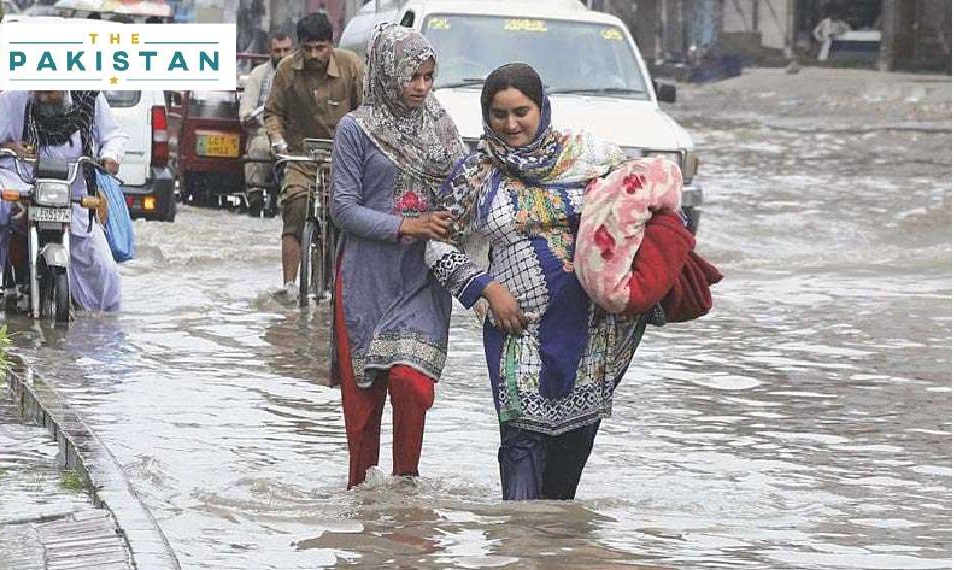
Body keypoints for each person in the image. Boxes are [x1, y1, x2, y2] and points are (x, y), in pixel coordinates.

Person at [425, 63, 681, 500]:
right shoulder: (475, 175)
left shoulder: (591, 158)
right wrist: (485, 287)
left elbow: (647, 203)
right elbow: (436, 245)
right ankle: (518, 544)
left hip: (591, 330)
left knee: (571, 454)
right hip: (515, 327)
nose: (510, 125)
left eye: (521, 112)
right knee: (520, 443)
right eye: (499, 115)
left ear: (542, 108)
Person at [328, 24, 464, 489]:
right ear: (388, 73)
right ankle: (363, 502)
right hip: (366, 279)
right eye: (413, 77)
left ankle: (406, 488)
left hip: (422, 276)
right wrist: (408, 225)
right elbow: (342, 208)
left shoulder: (442, 128)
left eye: (429, 77)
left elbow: (464, 188)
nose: (422, 88)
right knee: (363, 406)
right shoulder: (356, 129)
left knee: (412, 383)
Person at [0, 90, 128, 311]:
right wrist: (9, 147)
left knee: (104, 272)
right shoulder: (12, 98)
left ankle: (99, 334)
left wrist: (110, 156)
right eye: (39, 91)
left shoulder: (89, 98)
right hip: (20, 179)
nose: (43, 97)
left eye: (50, 91)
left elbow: (113, 136)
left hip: (72, 188)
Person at [264, 12, 364, 301]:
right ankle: (289, 284)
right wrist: (277, 141)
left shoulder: (352, 66)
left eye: (320, 48)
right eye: (307, 49)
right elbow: (273, 113)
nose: (314, 55)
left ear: (331, 45)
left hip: (344, 157)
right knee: (294, 203)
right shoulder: (286, 70)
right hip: (301, 156)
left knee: (346, 214)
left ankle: (342, 282)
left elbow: (368, 112)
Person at [240, 30, 293, 216]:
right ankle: (254, 197)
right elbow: (246, 110)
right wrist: (251, 117)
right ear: (269, 51)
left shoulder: (300, 74)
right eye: (277, 50)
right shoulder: (258, 75)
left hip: (292, 134)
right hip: (264, 132)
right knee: (258, 150)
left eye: (286, 50)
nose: (282, 55)